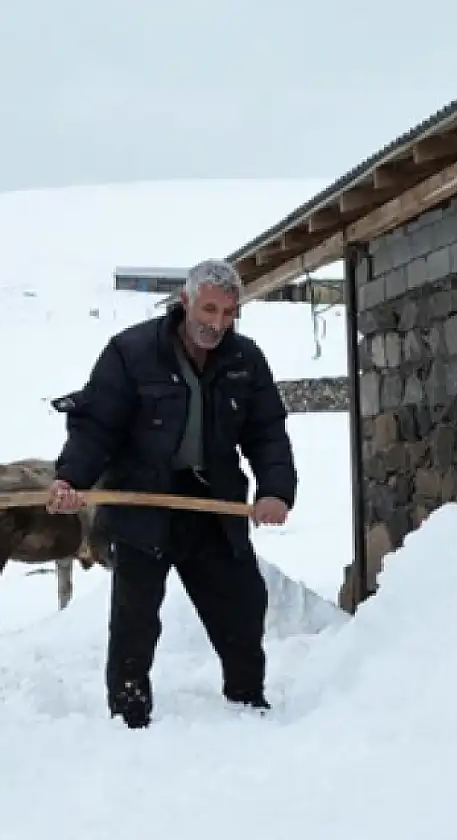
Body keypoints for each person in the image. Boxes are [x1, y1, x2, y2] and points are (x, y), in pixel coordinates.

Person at [47, 258, 297, 729]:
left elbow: (267, 433)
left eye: (228, 313)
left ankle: (247, 700)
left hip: (212, 502)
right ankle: (129, 714)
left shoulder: (246, 361)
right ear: (184, 303)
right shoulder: (131, 353)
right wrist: (71, 480)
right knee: (134, 615)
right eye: (208, 310)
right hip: (144, 500)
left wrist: (276, 491)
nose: (217, 324)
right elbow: (96, 425)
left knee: (242, 603)